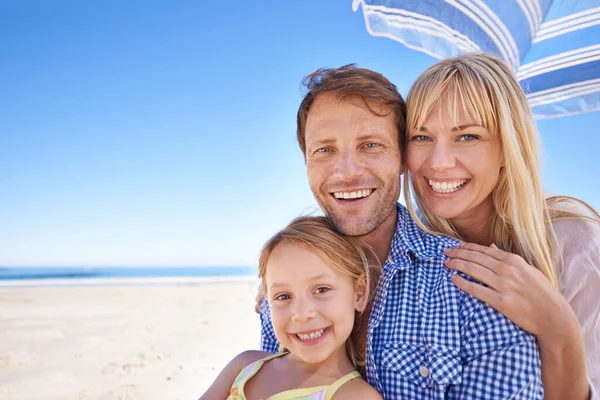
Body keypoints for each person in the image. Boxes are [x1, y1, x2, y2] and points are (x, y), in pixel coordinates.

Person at [259, 65, 544, 398]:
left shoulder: (474, 289)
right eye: (324, 150)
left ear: (402, 158)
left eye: (370, 145)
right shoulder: (283, 293)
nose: (347, 172)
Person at [403, 52, 600, 400]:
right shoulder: (408, 254)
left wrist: (559, 330)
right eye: (421, 137)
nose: (438, 162)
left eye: (467, 137)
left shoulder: (575, 244)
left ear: (508, 147)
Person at [200, 216, 382, 400]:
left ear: (358, 292)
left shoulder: (354, 395)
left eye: (322, 289)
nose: (302, 314)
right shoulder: (245, 366)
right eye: (283, 296)